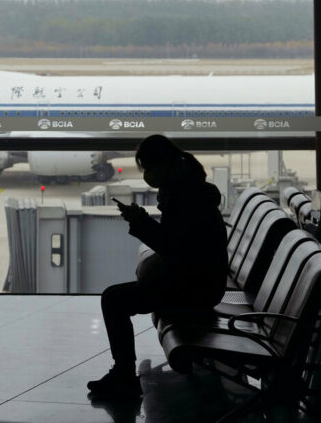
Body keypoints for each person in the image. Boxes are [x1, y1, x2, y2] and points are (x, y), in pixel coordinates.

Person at [87, 134, 228, 399]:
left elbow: (174, 250)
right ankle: (123, 373)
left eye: (149, 167)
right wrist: (142, 222)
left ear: (163, 164)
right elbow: (179, 244)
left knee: (114, 300)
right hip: (201, 281)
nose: (147, 175)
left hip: (195, 288)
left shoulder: (184, 196)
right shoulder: (188, 188)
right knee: (119, 297)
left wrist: (140, 224)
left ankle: (124, 375)